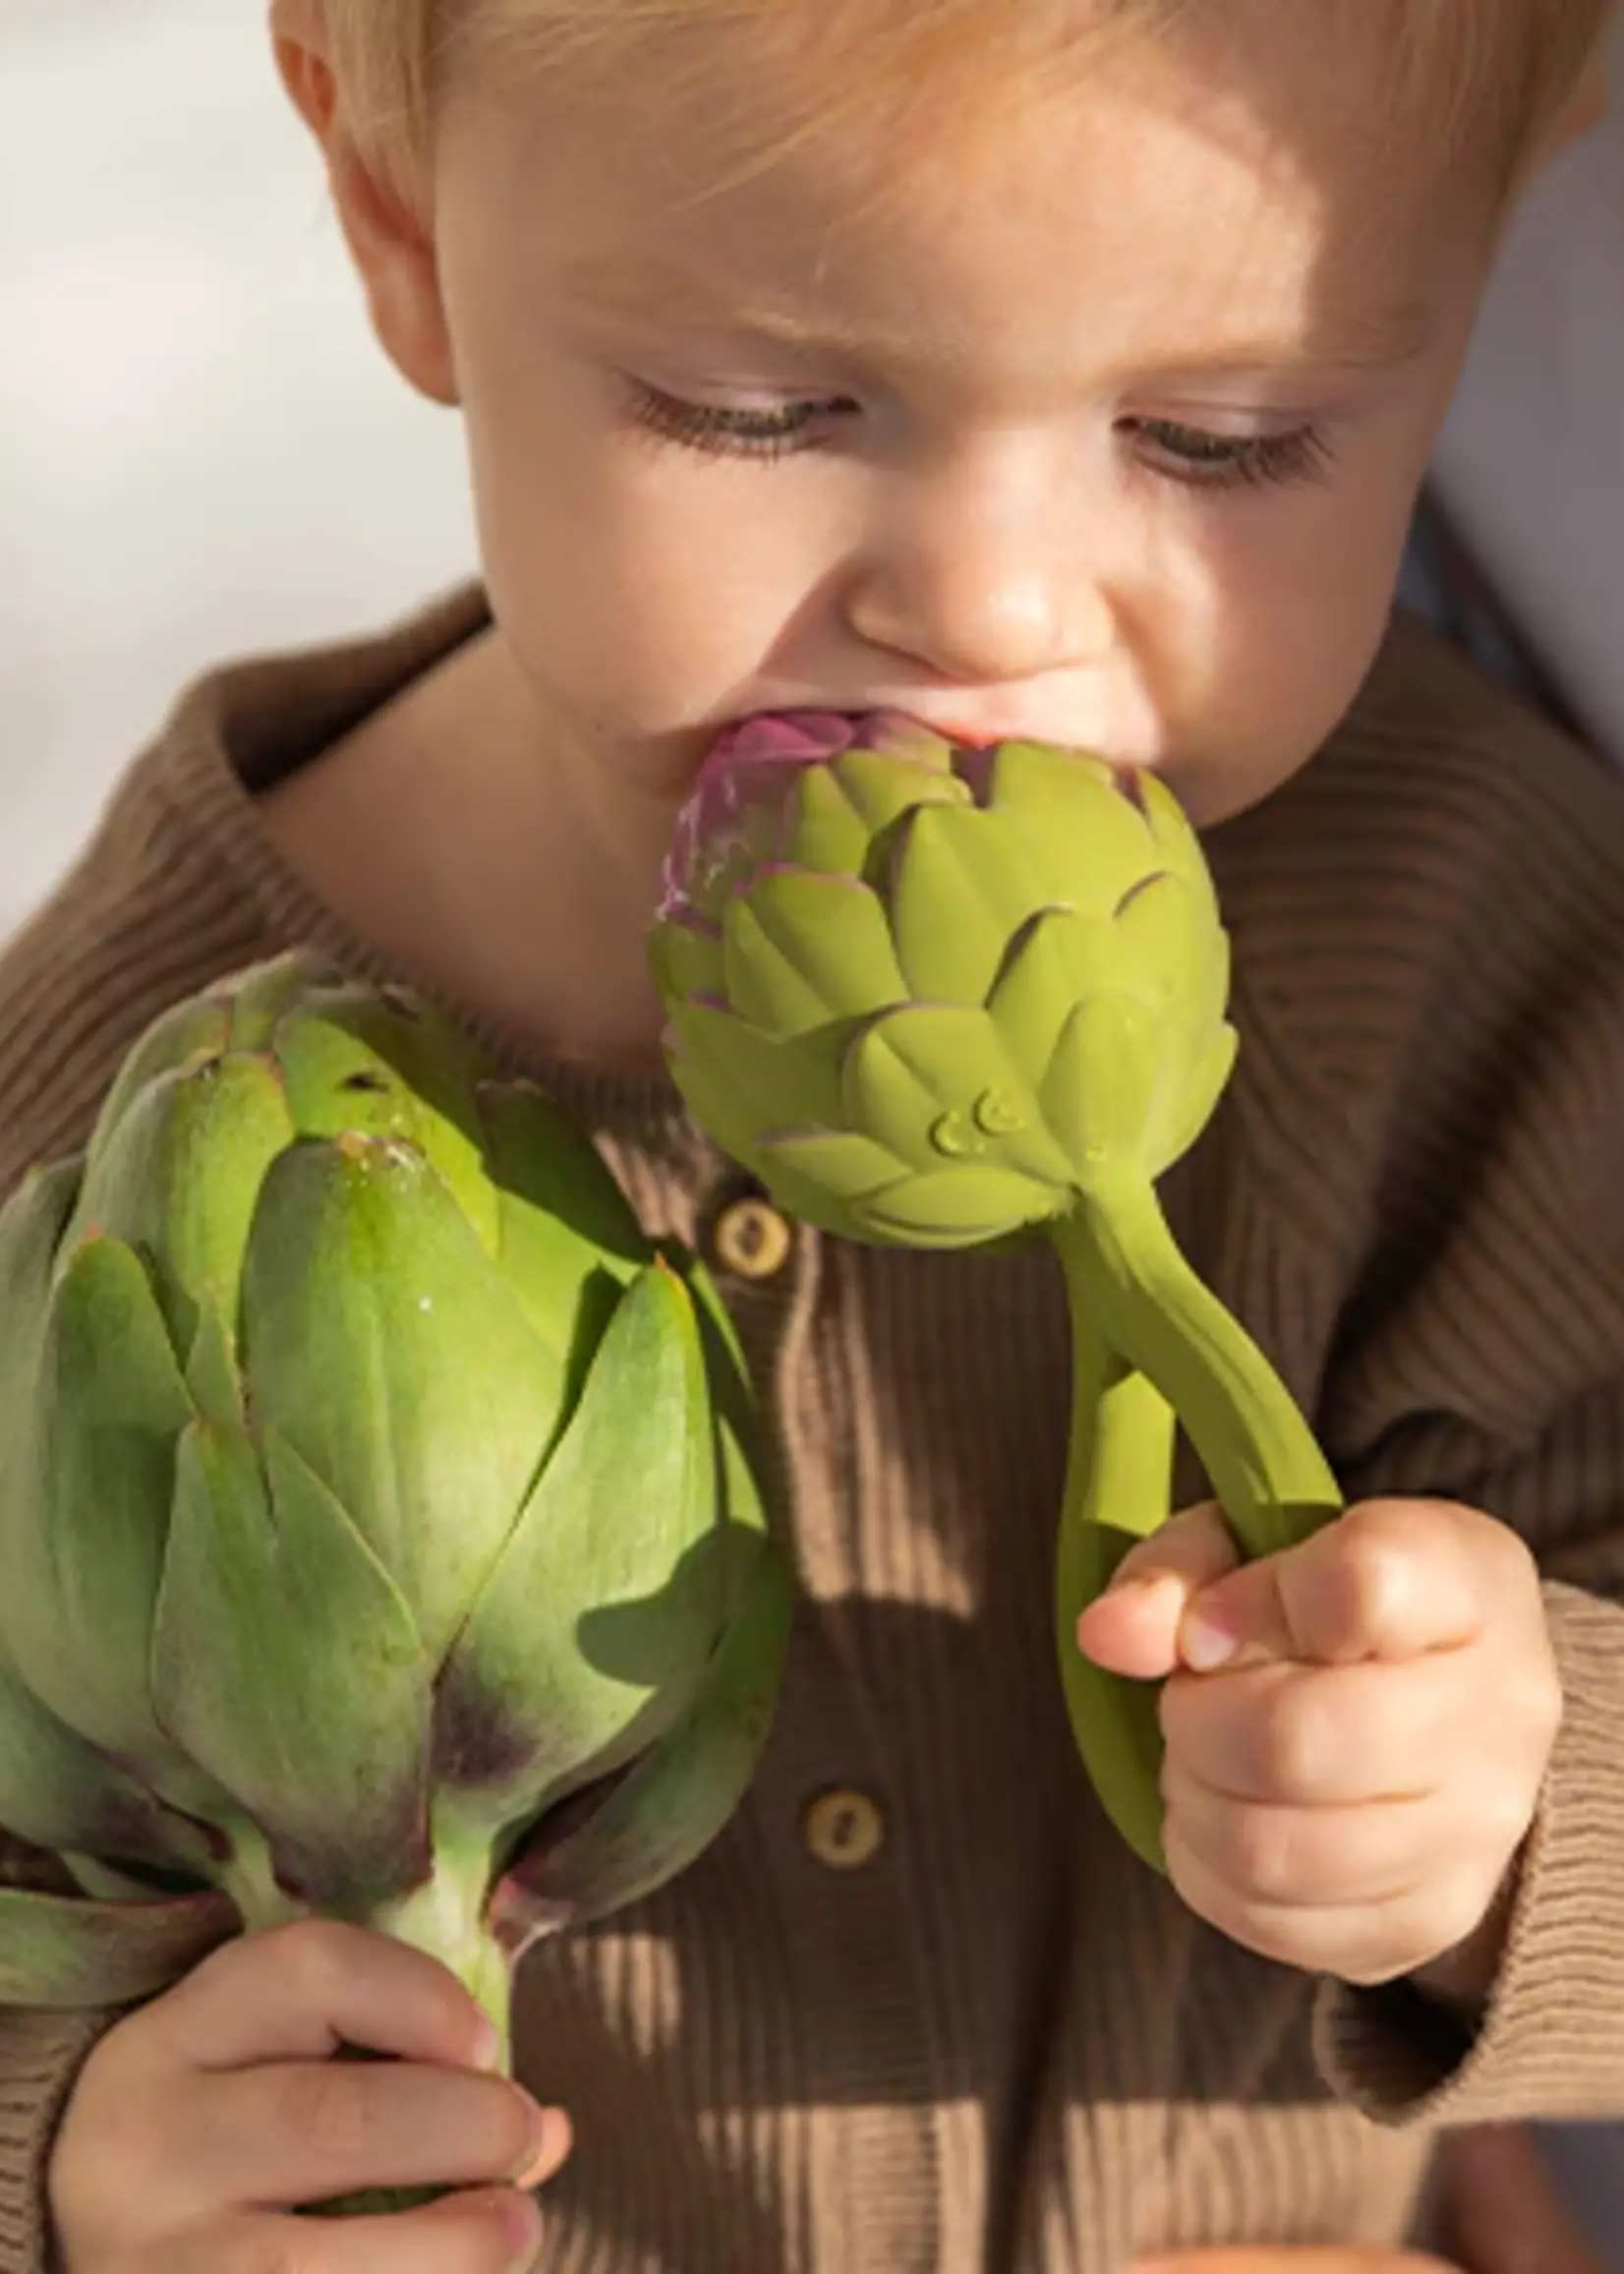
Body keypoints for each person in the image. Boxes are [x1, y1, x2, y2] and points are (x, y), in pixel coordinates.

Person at [1, 1, 1621, 2269]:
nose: (988, 605)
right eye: (756, 409)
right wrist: (72, 2174)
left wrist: (1520, 1819)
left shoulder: (1474, 943)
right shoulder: (116, 1142)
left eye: (1225, 435)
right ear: (389, 208)